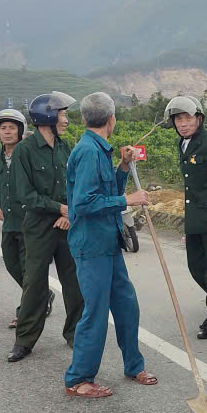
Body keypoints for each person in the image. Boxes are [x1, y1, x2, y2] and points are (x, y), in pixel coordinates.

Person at [63, 92, 158, 397]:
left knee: (126, 305)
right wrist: (128, 199)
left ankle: (134, 365)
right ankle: (79, 379)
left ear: (84, 118)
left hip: (108, 242)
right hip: (91, 245)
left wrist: (122, 167)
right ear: (112, 119)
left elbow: (105, 193)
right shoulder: (88, 152)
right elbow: (84, 203)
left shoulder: (99, 149)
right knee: (96, 313)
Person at [6, 92, 83, 363]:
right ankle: (24, 340)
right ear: (47, 116)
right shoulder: (24, 151)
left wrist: (69, 213)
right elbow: (25, 195)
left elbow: (75, 185)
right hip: (38, 226)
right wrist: (58, 208)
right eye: (62, 114)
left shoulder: (65, 147)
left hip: (66, 225)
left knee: (74, 282)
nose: (66, 120)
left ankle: (75, 334)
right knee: (34, 284)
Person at [166, 96, 207, 340]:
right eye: (178, 119)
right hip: (194, 219)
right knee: (196, 268)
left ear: (199, 119)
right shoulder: (183, 143)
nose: (182, 124)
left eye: (187, 118)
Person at [0, 108, 30, 329]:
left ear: (21, 131)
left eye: (12, 128)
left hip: (28, 221)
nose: (7, 132)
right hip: (9, 223)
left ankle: (26, 311)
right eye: (3, 128)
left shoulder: (28, 154)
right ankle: (41, 295)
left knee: (27, 269)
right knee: (11, 264)